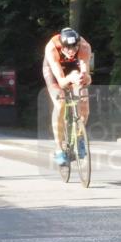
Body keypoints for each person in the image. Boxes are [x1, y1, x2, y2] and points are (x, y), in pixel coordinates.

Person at [43, 27, 92, 166]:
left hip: (73, 68)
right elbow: (61, 82)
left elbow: (87, 77)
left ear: (78, 44)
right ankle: (59, 148)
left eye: (74, 47)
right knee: (60, 103)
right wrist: (70, 78)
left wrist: (84, 77)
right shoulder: (52, 48)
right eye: (67, 48)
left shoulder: (84, 47)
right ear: (62, 45)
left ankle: (80, 136)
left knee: (83, 99)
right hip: (55, 71)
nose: (71, 51)